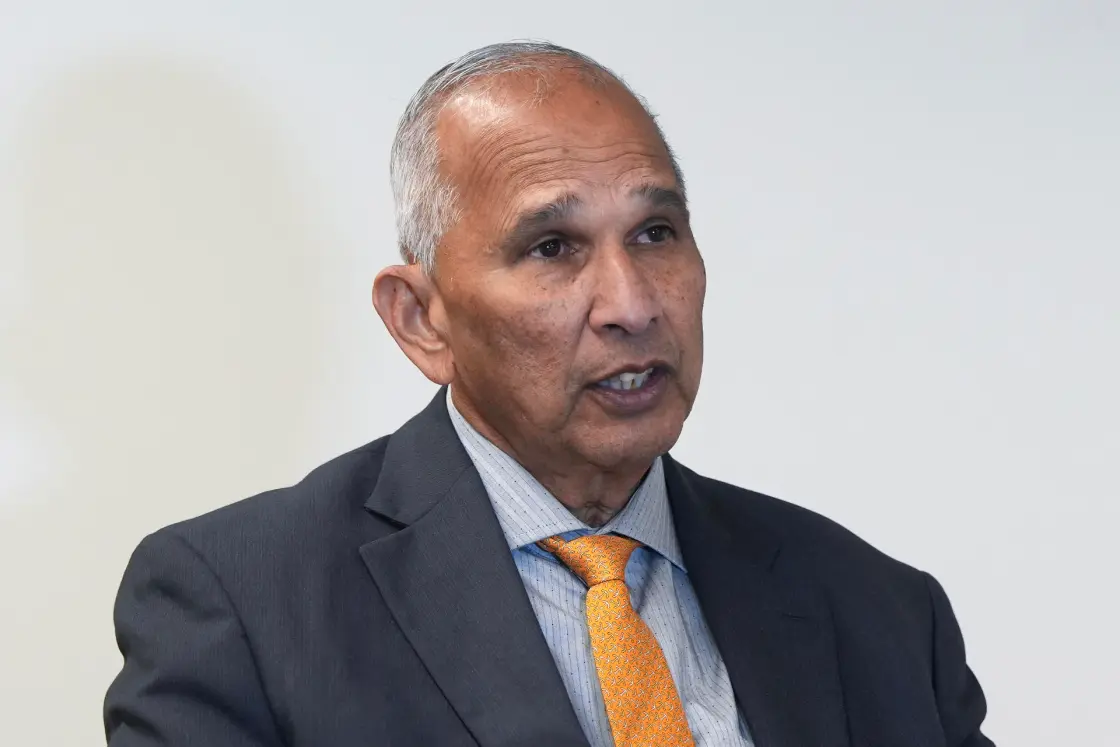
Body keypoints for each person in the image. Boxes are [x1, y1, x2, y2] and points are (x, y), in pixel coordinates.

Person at [105, 41, 994, 747]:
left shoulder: (878, 611)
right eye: (553, 248)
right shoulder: (242, 606)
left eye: (655, 233)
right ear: (421, 319)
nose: (632, 305)